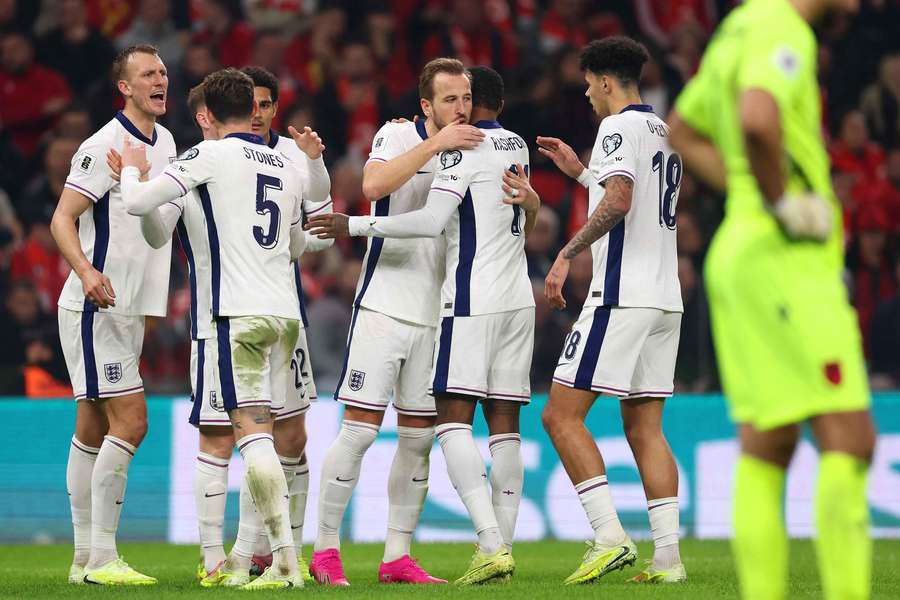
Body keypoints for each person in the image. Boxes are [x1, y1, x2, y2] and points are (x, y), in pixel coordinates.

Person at [668, 1, 876, 599]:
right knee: (851, 438)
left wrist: (746, 190)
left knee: (769, 444)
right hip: (785, 257)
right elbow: (758, 119)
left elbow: (683, 129)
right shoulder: (784, 30)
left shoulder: (736, 28)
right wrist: (781, 200)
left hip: (741, 252)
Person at [308, 64, 540, 586]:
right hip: (384, 306)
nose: (461, 108)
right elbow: (372, 184)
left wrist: (530, 197)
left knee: (418, 440)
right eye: (449, 99)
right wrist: (435, 146)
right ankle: (325, 551)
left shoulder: (479, 148)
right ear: (426, 106)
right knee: (359, 432)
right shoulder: (396, 134)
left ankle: (396, 556)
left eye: (465, 98)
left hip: (440, 315)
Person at [119, 67, 309, 590]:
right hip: (284, 316)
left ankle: (286, 564)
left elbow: (136, 203)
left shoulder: (206, 155)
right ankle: (247, 559)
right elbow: (296, 246)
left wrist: (132, 171)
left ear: (208, 114)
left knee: (250, 437)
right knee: (262, 433)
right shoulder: (286, 165)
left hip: (232, 316)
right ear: (254, 108)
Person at [535, 37, 685, 585]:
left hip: (621, 293)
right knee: (645, 426)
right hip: (665, 295)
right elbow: (636, 194)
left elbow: (620, 200)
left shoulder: (617, 127)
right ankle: (668, 559)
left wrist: (567, 254)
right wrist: (582, 173)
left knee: (559, 414)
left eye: (587, 82)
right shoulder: (664, 130)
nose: (585, 93)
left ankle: (608, 537)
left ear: (603, 80)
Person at [50, 44, 176, 586]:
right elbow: (62, 219)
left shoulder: (167, 141)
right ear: (124, 87)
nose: (160, 79)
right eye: (147, 74)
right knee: (133, 422)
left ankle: (83, 560)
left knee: (93, 429)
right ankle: (103, 557)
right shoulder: (102, 144)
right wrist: (85, 272)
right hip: (94, 304)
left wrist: (150, 307)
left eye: (163, 72)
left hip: (128, 310)